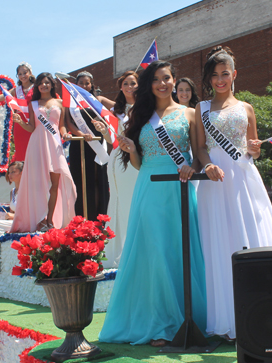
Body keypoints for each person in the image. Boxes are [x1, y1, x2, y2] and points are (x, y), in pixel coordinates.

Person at [98, 61, 206, 347]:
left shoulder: (190, 113)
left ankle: (186, 319)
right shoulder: (140, 115)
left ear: (174, 81)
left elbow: (198, 155)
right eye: (156, 79)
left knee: (178, 252)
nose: (162, 84)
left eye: (167, 78)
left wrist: (191, 168)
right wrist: (132, 149)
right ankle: (160, 323)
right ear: (150, 84)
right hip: (149, 188)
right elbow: (138, 163)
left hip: (179, 190)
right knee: (154, 253)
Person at [195, 46, 272, 340]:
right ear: (208, 79)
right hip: (214, 181)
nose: (220, 80)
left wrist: (255, 150)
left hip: (243, 178)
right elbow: (199, 147)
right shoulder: (202, 109)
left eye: (225, 74)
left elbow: (252, 148)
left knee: (251, 235)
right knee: (218, 243)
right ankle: (226, 319)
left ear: (234, 74)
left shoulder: (247, 108)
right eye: (214, 75)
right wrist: (206, 166)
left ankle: (263, 314)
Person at [10, 72, 76, 232]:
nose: (44, 85)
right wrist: (21, 122)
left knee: (55, 184)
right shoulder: (34, 104)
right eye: (41, 83)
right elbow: (32, 127)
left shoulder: (60, 103)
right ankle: (40, 219)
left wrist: (65, 133)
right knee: (38, 184)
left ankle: (51, 220)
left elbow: (62, 125)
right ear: (37, 86)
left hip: (54, 144)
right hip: (37, 144)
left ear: (52, 85)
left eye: (47, 83)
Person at [95, 71, 139, 268]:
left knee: (135, 203)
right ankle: (118, 250)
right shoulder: (116, 111)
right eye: (126, 84)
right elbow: (111, 140)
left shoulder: (146, 108)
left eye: (133, 83)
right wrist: (103, 130)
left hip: (138, 160)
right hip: (119, 162)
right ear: (121, 87)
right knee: (120, 203)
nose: (130, 87)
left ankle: (136, 248)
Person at [65, 72, 110, 220]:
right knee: (80, 181)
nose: (84, 86)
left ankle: (98, 218)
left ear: (92, 85)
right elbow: (68, 123)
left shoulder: (97, 99)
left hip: (96, 143)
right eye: (81, 83)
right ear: (76, 84)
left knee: (97, 180)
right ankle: (82, 218)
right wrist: (81, 134)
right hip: (79, 143)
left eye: (87, 83)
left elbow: (114, 111)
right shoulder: (70, 102)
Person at [0, 62, 35, 162]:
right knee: (22, 157)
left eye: (24, 73)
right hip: (20, 126)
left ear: (30, 73)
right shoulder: (15, 91)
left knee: (35, 155)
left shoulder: (37, 88)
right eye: (19, 74)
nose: (22, 76)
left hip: (35, 124)